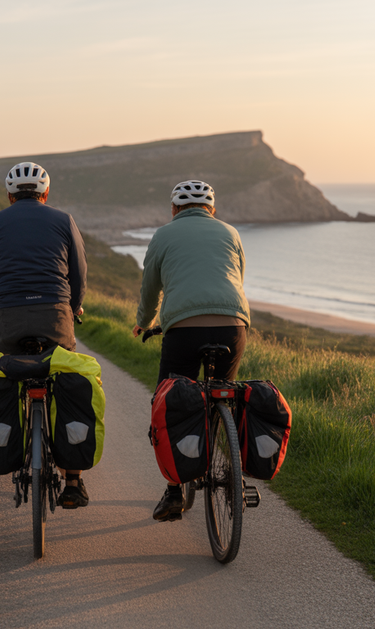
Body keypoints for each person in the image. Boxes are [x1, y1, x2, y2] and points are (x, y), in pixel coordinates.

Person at [0, 161, 90, 508]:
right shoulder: (63, 220)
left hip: (8, 320)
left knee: (5, 377)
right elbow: (79, 272)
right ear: (46, 194)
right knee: (66, 380)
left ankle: (12, 449)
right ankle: (74, 481)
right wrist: (74, 306)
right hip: (56, 316)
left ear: (9, 195)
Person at [132, 180, 250, 522]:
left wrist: (145, 321)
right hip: (233, 324)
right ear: (212, 210)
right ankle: (230, 462)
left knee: (169, 402)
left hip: (183, 328)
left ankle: (173, 490)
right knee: (222, 396)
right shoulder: (230, 233)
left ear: (174, 209)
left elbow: (151, 287)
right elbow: (237, 277)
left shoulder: (163, 235)